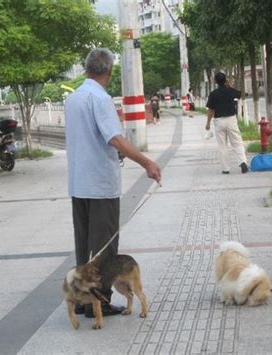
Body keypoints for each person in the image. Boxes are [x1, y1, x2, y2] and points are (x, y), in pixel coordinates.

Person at [64, 48, 161, 318]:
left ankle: (84, 300)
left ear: (87, 69)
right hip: (100, 186)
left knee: (84, 246)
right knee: (104, 249)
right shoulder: (100, 99)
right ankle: (100, 303)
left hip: (78, 184)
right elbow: (115, 139)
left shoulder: (72, 99)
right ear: (109, 71)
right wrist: (148, 163)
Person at [205, 72, 248, 174]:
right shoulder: (230, 91)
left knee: (222, 145)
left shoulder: (213, 94)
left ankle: (226, 169)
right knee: (237, 142)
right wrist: (229, 86)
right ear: (226, 80)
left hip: (219, 121)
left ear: (215, 81)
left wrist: (208, 123)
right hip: (231, 120)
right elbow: (240, 94)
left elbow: (211, 110)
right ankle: (243, 162)